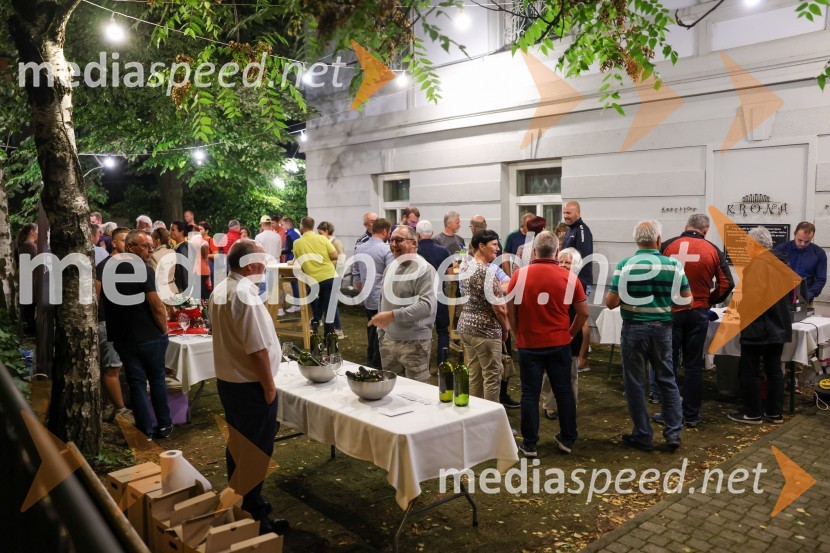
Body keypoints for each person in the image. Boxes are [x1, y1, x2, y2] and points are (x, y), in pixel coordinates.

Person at [208, 240, 289, 535]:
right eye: (262, 261)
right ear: (250, 264)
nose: (265, 267)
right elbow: (256, 349)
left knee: (239, 447)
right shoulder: (244, 295)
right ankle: (254, 518)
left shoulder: (222, 289)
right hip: (250, 386)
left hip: (230, 382)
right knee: (255, 452)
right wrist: (269, 388)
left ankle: (243, 499)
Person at [606, 220, 691, 452]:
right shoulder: (674, 265)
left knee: (635, 383)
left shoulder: (626, 265)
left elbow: (611, 302)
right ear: (658, 240)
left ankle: (643, 434)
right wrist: (664, 302)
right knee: (667, 379)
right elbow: (687, 298)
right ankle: (673, 433)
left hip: (634, 329)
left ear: (637, 241)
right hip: (663, 329)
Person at [508, 232, 589, 457]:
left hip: (529, 343)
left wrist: (518, 334)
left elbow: (511, 311)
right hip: (559, 342)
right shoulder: (570, 278)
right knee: (563, 391)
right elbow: (583, 312)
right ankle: (567, 438)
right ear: (556, 251)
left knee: (529, 394)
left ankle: (530, 443)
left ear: (534, 251)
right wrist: (570, 333)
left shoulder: (520, 275)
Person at [659, 213, 735, 427]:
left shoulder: (667, 246)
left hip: (671, 311)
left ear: (686, 226)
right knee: (693, 365)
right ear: (706, 229)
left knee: (669, 364)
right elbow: (726, 284)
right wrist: (708, 300)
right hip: (698, 312)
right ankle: (692, 415)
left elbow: (655, 274)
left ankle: (668, 414)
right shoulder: (713, 250)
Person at [99, 229, 172, 439]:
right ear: (130, 247)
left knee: (136, 382)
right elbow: (157, 306)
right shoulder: (142, 269)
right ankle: (164, 425)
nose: (150, 250)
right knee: (156, 380)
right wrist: (165, 330)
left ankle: (145, 430)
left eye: (151, 246)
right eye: (146, 246)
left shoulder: (106, 269)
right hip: (148, 335)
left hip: (122, 336)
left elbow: (96, 297)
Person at [729, 227, 792, 425]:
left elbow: (752, 299)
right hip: (778, 325)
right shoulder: (783, 264)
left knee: (749, 371)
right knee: (774, 370)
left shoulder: (755, 265)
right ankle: (775, 413)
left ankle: (753, 413)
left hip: (758, 327)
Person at [368, 226, 436, 382]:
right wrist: (381, 334)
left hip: (414, 344)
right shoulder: (390, 267)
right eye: (391, 240)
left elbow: (427, 305)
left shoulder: (425, 270)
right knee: (391, 392)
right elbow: (382, 299)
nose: (393, 244)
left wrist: (392, 316)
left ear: (413, 243)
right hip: (388, 342)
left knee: (416, 395)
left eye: (398, 240)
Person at [457, 229, 508, 402]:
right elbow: (499, 308)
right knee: (492, 377)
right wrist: (506, 329)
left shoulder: (466, 268)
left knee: (475, 375)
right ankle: (492, 425)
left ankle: (474, 418)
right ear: (481, 246)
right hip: (485, 331)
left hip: (466, 327)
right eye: (494, 244)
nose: (498, 248)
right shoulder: (486, 272)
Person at [540, 247, 585, 421]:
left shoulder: (578, 283)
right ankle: (549, 405)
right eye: (561, 261)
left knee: (572, 373)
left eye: (568, 262)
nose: (564, 265)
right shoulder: (550, 281)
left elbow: (582, 313)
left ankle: (570, 405)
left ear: (576, 265)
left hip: (572, 333)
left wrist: (572, 332)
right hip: (552, 331)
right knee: (549, 373)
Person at [95, 227, 130, 422]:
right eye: (124, 240)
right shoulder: (105, 265)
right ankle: (121, 410)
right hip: (108, 323)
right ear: (114, 243)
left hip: (124, 324)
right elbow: (96, 294)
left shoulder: (130, 265)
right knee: (112, 367)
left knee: (119, 367)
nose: (128, 245)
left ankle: (116, 407)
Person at [354, 219, 394, 368]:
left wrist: (362, 292)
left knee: (371, 327)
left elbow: (356, 274)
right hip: (381, 296)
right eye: (389, 232)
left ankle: (370, 357)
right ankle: (376, 363)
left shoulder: (359, 248)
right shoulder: (386, 249)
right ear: (384, 231)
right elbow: (391, 273)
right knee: (381, 331)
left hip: (367, 295)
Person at [292, 217, 338, 335]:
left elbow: (298, 263)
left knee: (318, 301)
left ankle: (315, 322)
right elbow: (334, 255)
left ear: (302, 226)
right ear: (313, 226)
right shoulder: (323, 239)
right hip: (330, 277)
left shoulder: (297, 243)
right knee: (329, 311)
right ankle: (329, 340)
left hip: (313, 280)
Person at [562, 201, 594, 372]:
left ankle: (582, 360)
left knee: (581, 320)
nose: (566, 216)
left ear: (578, 212)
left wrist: (575, 281)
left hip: (579, 281)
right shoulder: (570, 229)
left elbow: (582, 257)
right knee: (575, 317)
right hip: (571, 281)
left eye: (569, 213)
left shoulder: (582, 230)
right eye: (564, 213)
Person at [416, 220, 452, 366]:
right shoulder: (443, 251)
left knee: (421, 330)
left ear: (418, 235)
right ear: (431, 233)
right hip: (439, 295)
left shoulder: (414, 252)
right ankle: (442, 363)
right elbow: (450, 274)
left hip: (419, 297)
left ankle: (422, 362)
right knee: (443, 331)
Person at [774, 221, 827, 302]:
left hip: (806, 298)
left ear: (812, 237)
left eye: (807, 241)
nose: (802, 244)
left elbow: (821, 279)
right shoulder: (781, 249)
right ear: (794, 234)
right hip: (781, 298)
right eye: (800, 240)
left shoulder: (819, 253)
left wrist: (809, 294)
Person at [317, 221, 345, 338]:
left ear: (327, 232)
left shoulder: (336, 242)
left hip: (334, 276)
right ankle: (330, 327)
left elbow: (341, 259)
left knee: (331, 304)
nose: (318, 235)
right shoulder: (324, 242)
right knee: (327, 304)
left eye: (320, 232)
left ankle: (338, 329)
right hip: (326, 276)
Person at [15, 223, 38, 335]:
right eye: (37, 230)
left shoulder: (28, 245)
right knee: (30, 305)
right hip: (29, 278)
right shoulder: (28, 246)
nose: (38, 233)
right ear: (31, 232)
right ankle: (31, 329)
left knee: (30, 305)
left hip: (28, 278)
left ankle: (31, 328)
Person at [255, 216, 282, 307]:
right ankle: (278, 309)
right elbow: (279, 251)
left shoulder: (258, 237)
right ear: (270, 224)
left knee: (264, 286)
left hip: (264, 263)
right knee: (276, 286)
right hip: (275, 262)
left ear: (262, 224)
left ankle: (265, 307)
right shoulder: (277, 236)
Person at [281, 217, 302, 312]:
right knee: (296, 282)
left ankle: (297, 304)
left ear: (287, 224)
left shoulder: (289, 235)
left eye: (283, 225)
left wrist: (280, 252)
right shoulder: (295, 233)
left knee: (294, 282)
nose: (282, 226)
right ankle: (299, 303)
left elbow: (289, 249)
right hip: (297, 260)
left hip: (292, 261)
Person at [150, 227, 177, 300]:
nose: (151, 241)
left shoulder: (154, 256)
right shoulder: (172, 252)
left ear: (158, 240)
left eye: (152, 238)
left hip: (162, 292)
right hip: (173, 288)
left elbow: (153, 278)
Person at [170, 221, 191, 295]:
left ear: (181, 232)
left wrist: (185, 292)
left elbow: (184, 271)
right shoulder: (179, 246)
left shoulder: (182, 248)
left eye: (173, 230)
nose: (170, 232)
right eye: (170, 230)